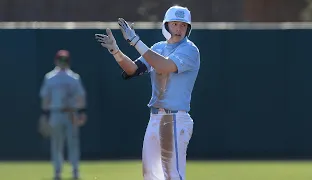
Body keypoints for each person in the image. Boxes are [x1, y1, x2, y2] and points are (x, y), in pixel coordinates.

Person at [95, 5, 200, 180]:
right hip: (155, 117)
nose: (179, 29)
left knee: (173, 175)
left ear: (188, 28)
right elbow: (133, 69)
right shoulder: (158, 47)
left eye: (183, 25)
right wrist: (116, 51)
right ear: (166, 25)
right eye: (175, 24)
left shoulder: (190, 49)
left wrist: (135, 41)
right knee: (150, 175)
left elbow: (164, 66)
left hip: (175, 118)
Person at [39, 50, 87, 180]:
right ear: (56, 60)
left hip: (71, 113)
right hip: (56, 112)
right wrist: (44, 115)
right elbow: (45, 97)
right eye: (60, 59)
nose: (62, 62)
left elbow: (80, 95)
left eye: (65, 60)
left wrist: (82, 112)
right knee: (56, 144)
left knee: (73, 143)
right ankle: (57, 171)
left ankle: (75, 170)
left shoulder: (74, 77)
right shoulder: (50, 77)